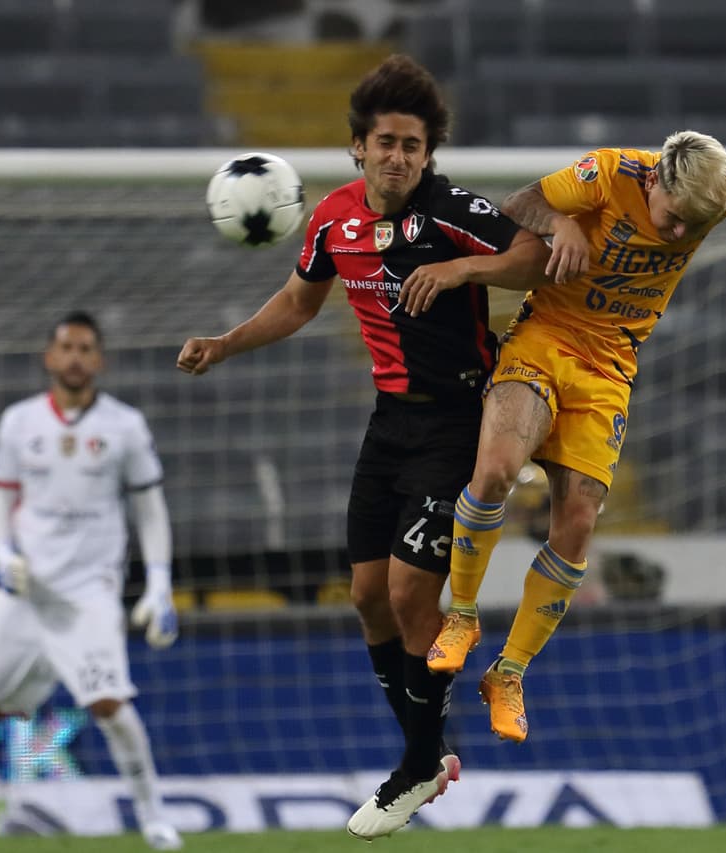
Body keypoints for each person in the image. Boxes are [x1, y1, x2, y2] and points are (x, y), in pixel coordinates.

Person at [175, 55, 549, 840]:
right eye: (386, 143)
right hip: (388, 426)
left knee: (412, 595)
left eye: (413, 146)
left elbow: (533, 257)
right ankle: (427, 753)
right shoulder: (333, 218)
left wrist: (461, 268)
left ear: (428, 153)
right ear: (358, 146)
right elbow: (298, 301)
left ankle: (416, 764)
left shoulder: (451, 210)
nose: (398, 158)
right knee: (367, 596)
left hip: (457, 422)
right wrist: (225, 342)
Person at [426, 131, 726, 743]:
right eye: (674, 218)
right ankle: (461, 615)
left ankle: (508, 672)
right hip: (546, 337)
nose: (680, 233)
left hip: (609, 369)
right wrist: (561, 223)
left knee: (578, 523)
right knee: (497, 471)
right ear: (654, 182)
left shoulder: (718, 191)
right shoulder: (607, 174)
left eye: (693, 225)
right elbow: (518, 203)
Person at [0, 311, 183, 852]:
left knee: (111, 706)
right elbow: (1, 505)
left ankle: (155, 821)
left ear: (99, 360)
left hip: (89, 592)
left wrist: (159, 584)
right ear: (50, 357)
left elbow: (150, 510)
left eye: (85, 348)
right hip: (25, 593)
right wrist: (3, 554)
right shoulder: (19, 423)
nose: (75, 357)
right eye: (66, 348)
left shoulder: (124, 426)